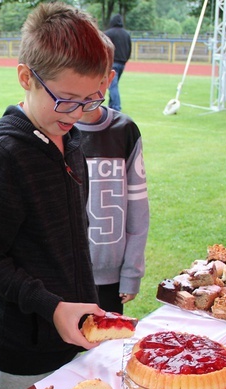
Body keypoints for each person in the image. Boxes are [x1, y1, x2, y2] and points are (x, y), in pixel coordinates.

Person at [0, 2, 106, 389]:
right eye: (66, 100)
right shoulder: (5, 157)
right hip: (23, 349)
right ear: (26, 77)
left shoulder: (71, 139)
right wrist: (52, 307)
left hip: (76, 332)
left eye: (90, 100)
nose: (78, 114)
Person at [76, 35, 149, 314]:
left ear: (108, 80)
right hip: (65, 275)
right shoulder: (57, 131)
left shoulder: (125, 131)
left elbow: (138, 210)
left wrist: (131, 271)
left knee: (105, 350)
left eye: (94, 81)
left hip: (111, 277)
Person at [103, 13, 132, 112]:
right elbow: (129, 49)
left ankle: (116, 107)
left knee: (112, 86)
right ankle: (112, 106)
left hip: (112, 63)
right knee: (113, 85)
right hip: (122, 63)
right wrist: (125, 59)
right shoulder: (126, 34)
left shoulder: (108, 33)